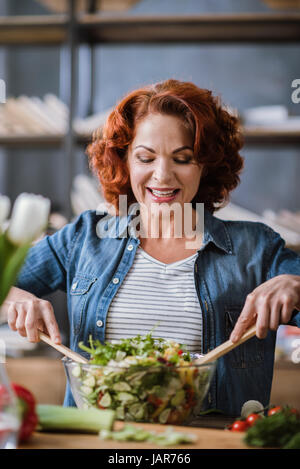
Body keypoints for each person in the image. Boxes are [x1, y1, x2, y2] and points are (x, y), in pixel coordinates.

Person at [3, 79, 300, 416]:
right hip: (101, 440)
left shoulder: (256, 248)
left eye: (183, 158)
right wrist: (13, 297)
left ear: (206, 165)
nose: (162, 175)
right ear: (124, 161)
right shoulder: (83, 238)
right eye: (146, 157)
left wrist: (295, 285)